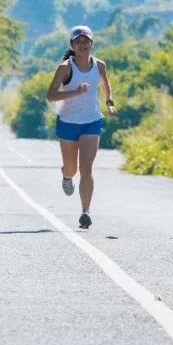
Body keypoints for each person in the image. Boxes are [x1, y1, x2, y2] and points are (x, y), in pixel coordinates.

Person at [46, 25, 116, 229]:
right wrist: (74, 92)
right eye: (78, 42)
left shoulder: (99, 65)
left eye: (86, 41)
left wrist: (109, 103)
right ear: (72, 45)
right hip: (68, 122)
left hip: (91, 121)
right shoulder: (66, 68)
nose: (82, 44)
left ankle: (85, 212)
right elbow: (51, 95)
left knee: (87, 168)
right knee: (72, 169)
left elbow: (105, 84)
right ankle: (66, 175)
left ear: (91, 43)